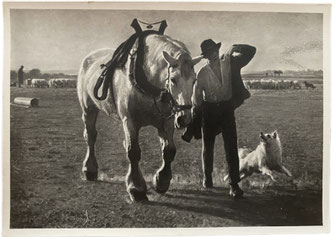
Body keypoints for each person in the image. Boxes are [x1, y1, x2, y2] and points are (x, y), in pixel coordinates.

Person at [182, 39, 256, 198]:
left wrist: (235, 47)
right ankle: (207, 178)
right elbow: (197, 100)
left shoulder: (230, 61)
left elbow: (251, 51)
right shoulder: (202, 73)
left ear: (218, 50)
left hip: (227, 110)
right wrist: (197, 117)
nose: (213, 55)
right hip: (209, 112)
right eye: (209, 53)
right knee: (207, 147)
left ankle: (234, 185)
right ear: (205, 56)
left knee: (231, 146)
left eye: (215, 51)